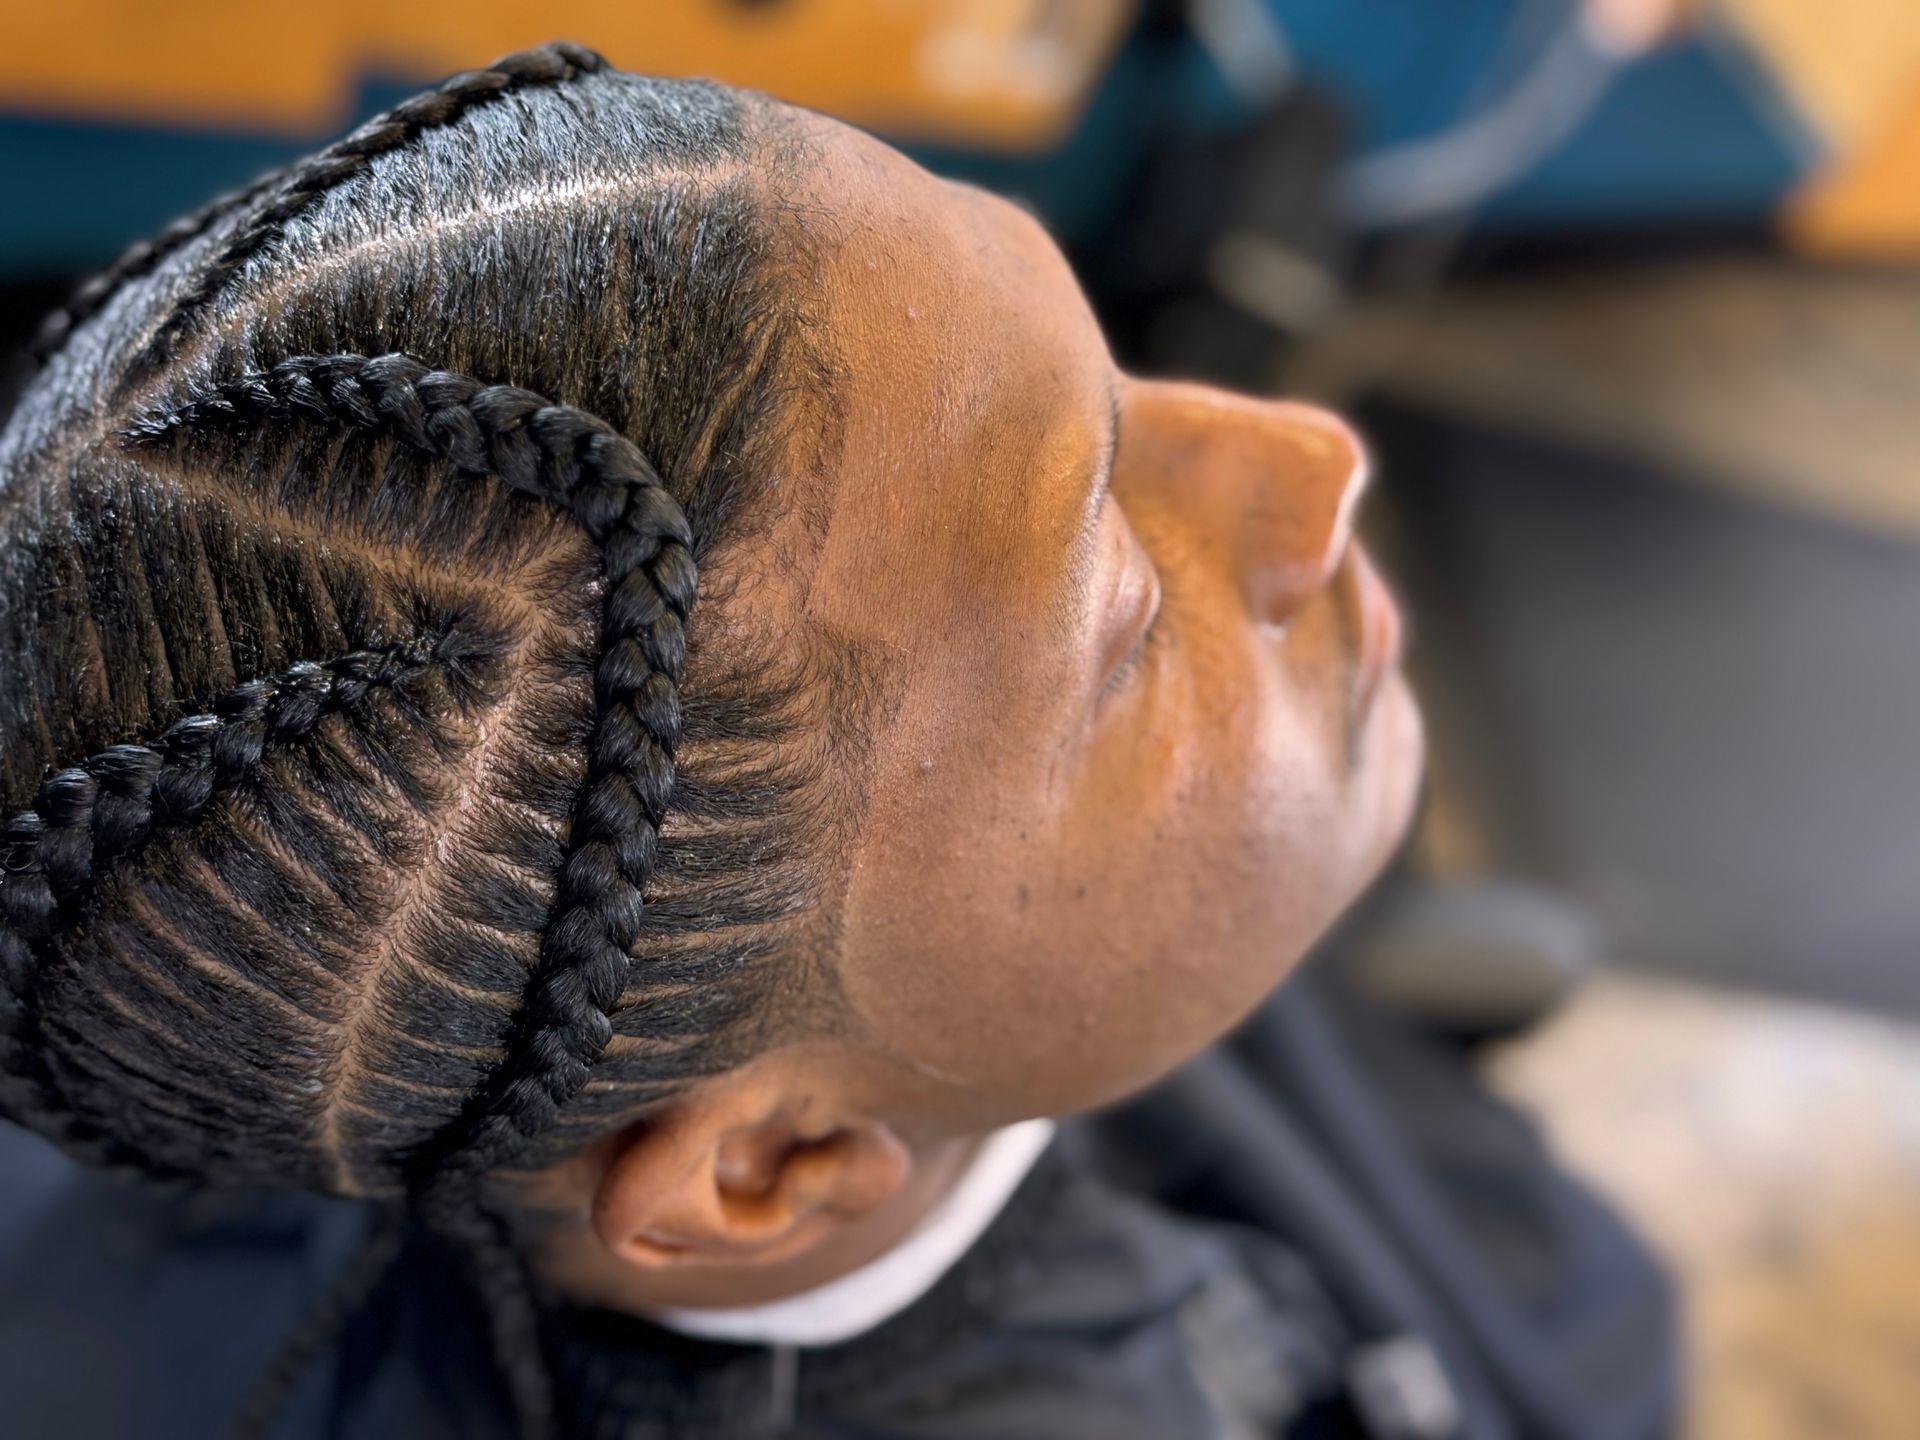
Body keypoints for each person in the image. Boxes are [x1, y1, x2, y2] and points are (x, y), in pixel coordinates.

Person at [0, 44, 1675, 1440]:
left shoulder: (228, 985)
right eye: (1125, 617)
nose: (1313, 456)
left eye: (1111, 380)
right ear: (768, 1168)